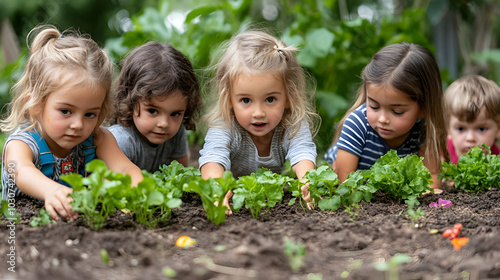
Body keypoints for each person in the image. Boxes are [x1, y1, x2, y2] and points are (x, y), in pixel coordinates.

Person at [0, 25, 143, 221]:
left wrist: (139, 192)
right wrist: (50, 190)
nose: (78, 124)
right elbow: (21, 170)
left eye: (90, 114)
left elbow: (126, 169)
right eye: (65, 111)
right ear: (35, 105)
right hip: (23, 228)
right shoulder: (22, 144)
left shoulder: (98, 139)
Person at [198, 30, 320, 214]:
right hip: (235, 198)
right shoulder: (226, 124)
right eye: (246, 100)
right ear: (229, 99)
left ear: (289, 97)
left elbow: (302, 151)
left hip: (269, 202)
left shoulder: (291, 123)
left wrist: (308, 181)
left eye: (270, 99)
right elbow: (213, 157)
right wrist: (216, 189)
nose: (258, 113)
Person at [324, 42, 448, 191]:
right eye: (374, 106)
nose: (382, 119)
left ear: (423, 108)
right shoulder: (357, 124)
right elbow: (343, 184)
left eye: (397, 112)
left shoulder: (424, 131)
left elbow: (431, 180)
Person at [107, 41, 200, 172]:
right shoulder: (120, 141)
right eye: (152, 111)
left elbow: (180, 175)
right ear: (130, 101)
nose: (164, 123)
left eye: (175, 114)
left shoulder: (176, 134)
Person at [443, 75, 500, 164]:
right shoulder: (442, 154)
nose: (470, 138)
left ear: (498, 129)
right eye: (460, 129)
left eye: (481, 129)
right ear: (448, 128)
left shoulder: (496, 159)